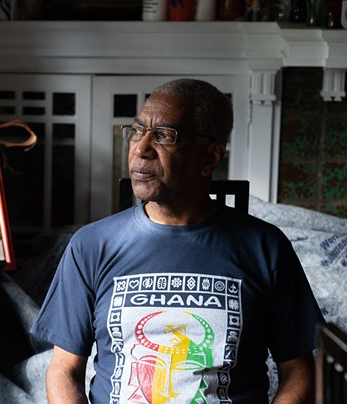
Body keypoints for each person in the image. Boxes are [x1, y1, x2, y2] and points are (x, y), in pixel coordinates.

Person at [30, 78, 323, 403]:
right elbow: (63, 371)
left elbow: (299, 371)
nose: (141, 149)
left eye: (163, 136)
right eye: (137, 131)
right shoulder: (91, 245)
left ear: (210, 158)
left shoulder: (266, 247)